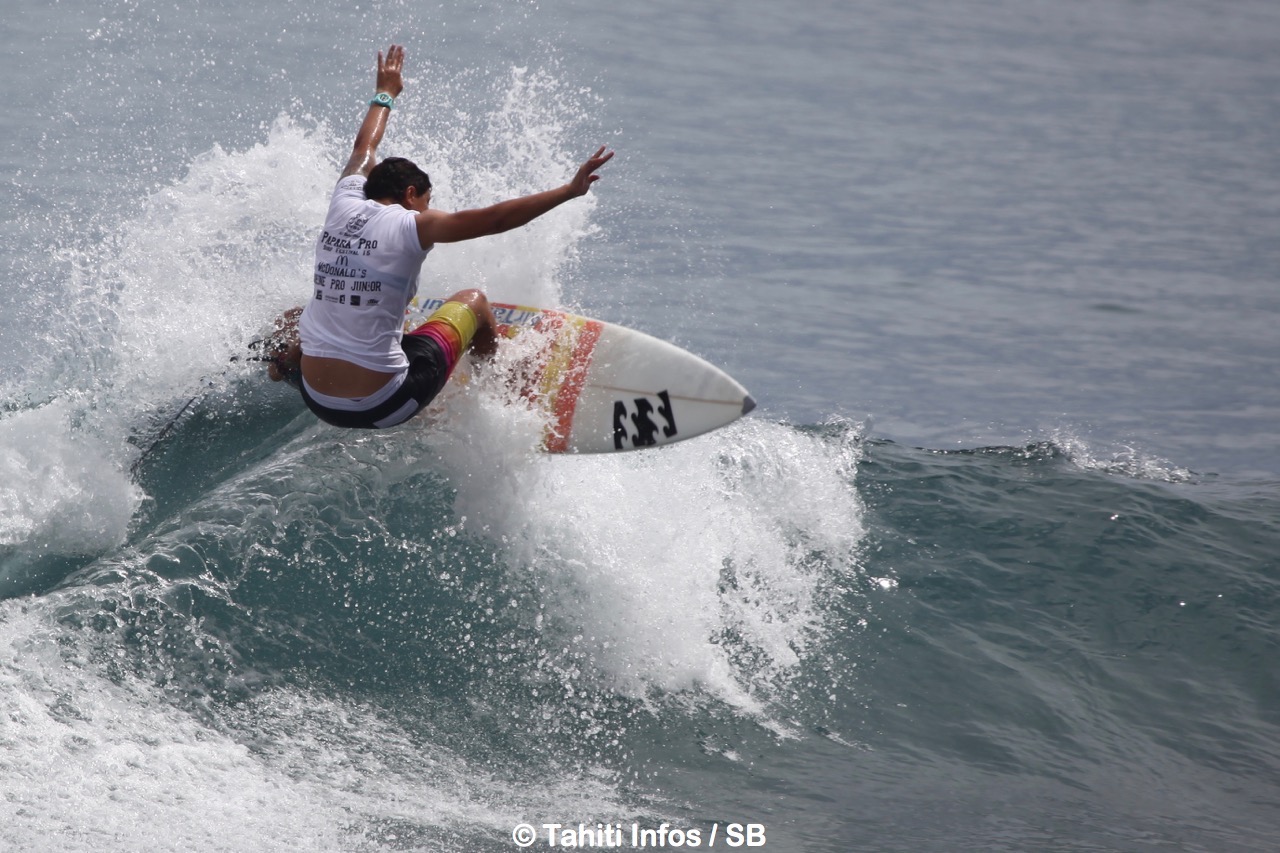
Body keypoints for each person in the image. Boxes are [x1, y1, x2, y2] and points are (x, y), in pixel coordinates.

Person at [268, 44, 613, 430]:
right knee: (475, 302)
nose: (426, 210)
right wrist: (568, 191)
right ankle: (494, 395)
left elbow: (364, 147)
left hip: (317, 400)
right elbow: (495, 220)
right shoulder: (412, 225)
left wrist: (385, 93)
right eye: (425, 201)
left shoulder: (343, 201)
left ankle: (282, 365)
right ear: (410, 195)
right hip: (384, 405)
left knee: (299, 315)